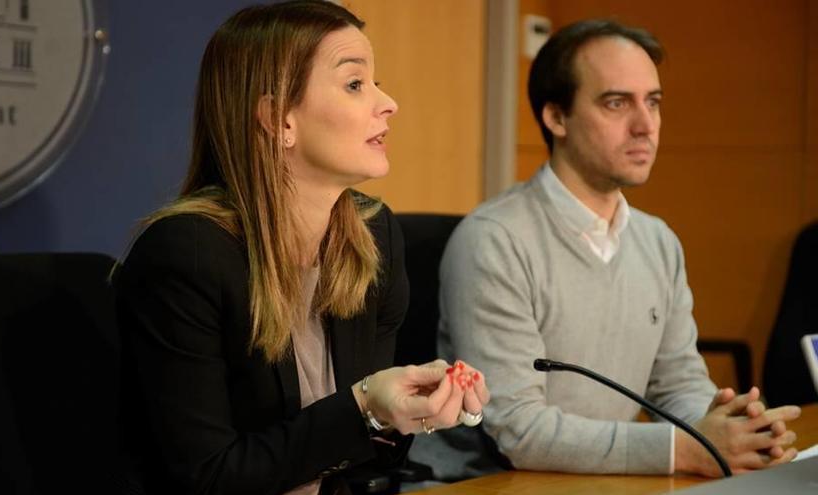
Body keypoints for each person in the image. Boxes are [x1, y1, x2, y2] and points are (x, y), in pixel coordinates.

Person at [113, 2, 489, 494]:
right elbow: (207, 477)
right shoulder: (187, 255)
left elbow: (367, 461)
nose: (387, 102)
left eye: (376, 82)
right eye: (356, 84)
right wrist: (365, 406)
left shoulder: (374, 236)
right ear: (277, 119)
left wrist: (411, 410)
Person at [410, 18, 800, 479]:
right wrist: (688, 449)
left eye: (652, 102)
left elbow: (678, 386)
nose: (645, 125)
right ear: (556, 117)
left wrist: (729, 431)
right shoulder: (494, 239)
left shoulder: (657, 241)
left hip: (597, 481)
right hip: (486, 485)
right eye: (617, 103)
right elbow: (519, 431)